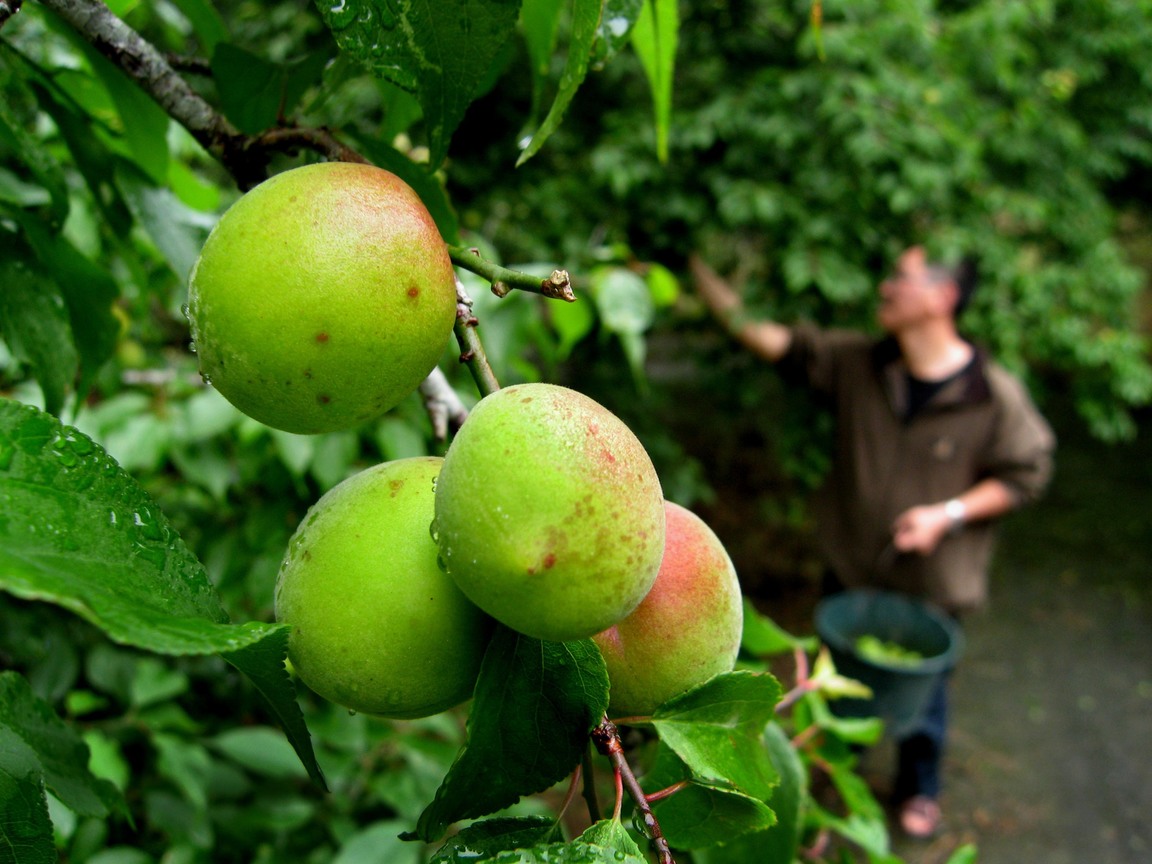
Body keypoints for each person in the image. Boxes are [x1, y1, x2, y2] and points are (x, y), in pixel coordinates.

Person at [691, 245, 1055, 839]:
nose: (885, 287)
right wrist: (697, 266)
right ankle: (834, 788)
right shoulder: (859, 363)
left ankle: (920, 789)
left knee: (925, 700)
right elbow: (766, 337)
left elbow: (1027, 473)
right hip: (853, 571)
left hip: (933, 585)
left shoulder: (991, 393)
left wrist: (947, 515)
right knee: (840, 689)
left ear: (942, 297)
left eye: (901, 277)